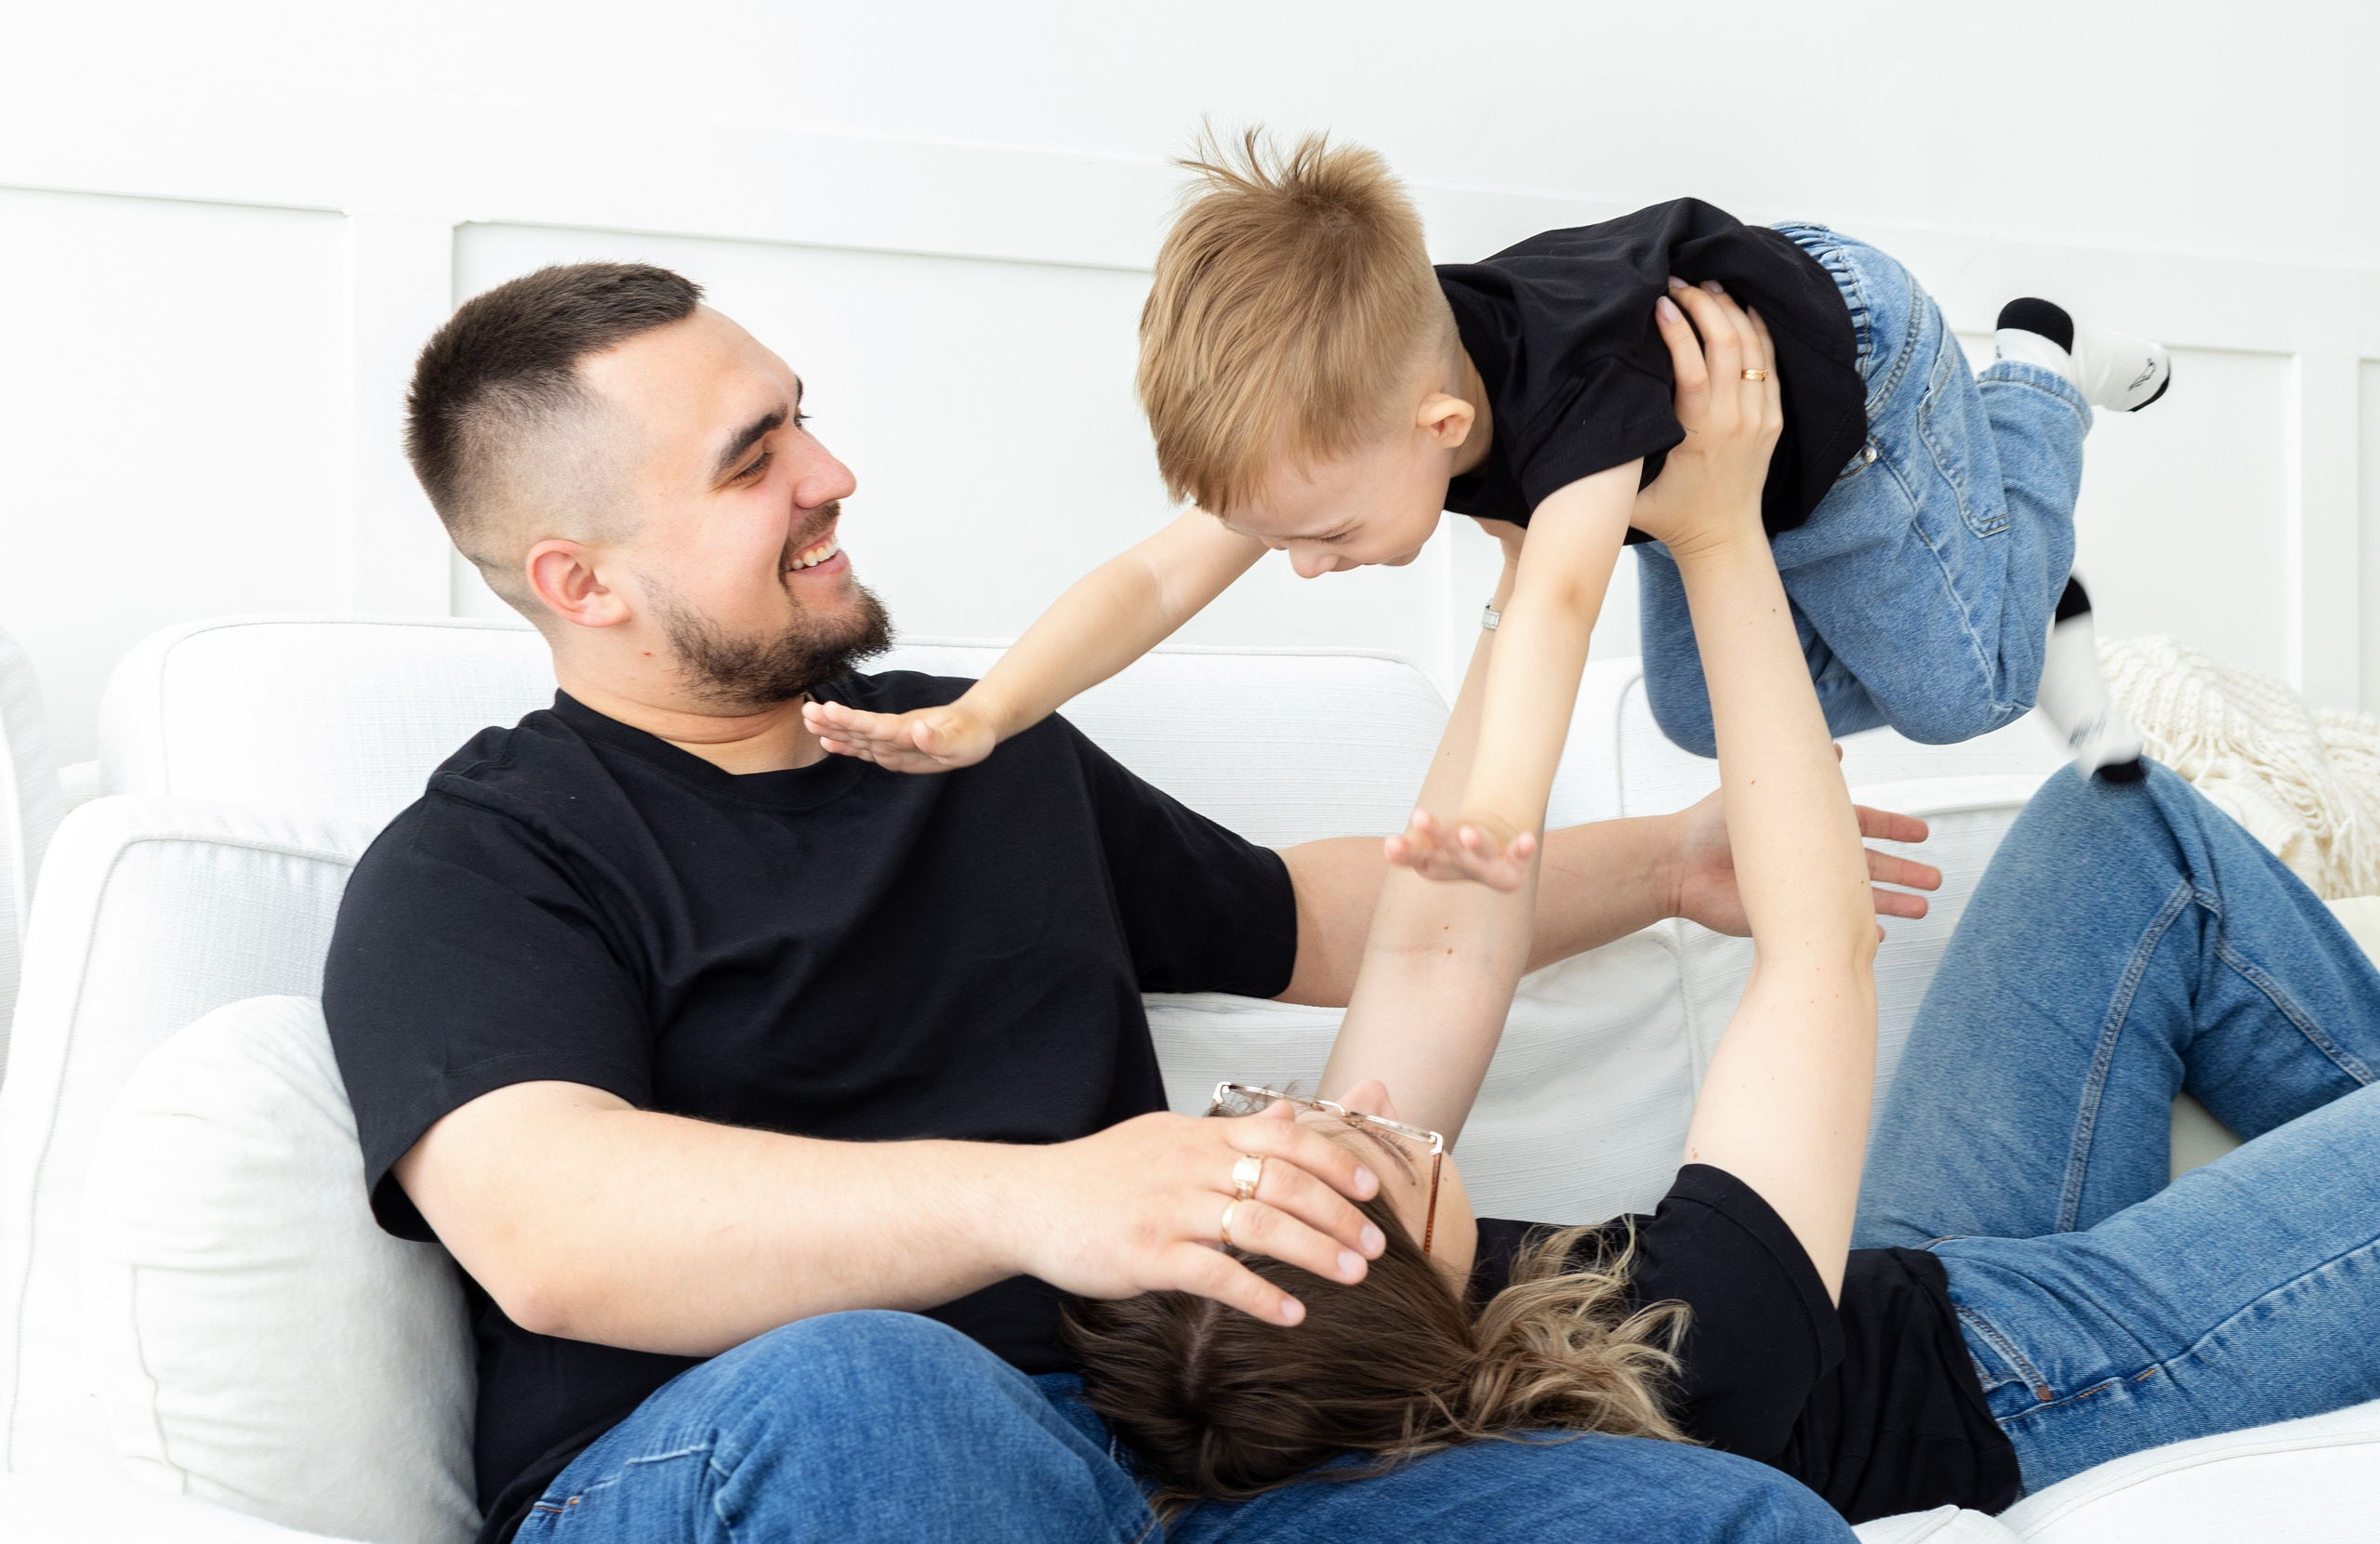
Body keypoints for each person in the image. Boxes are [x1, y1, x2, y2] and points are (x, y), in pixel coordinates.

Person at [324, 260, 1931, 1543]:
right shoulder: (481, 859)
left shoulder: (971, 747)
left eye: (801, 418)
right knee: (877, 1392)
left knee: (1721, 1513)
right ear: (579, 580)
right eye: (757, 463)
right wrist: (1040, 1200)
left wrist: (1664, 863)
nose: (834, 473)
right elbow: (554, 1229)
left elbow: (1308, 919)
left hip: (1167, 1460)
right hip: (761, 1466)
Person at [1064, 284, 2380, 1525]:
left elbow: (1437, 931)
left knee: (2123, 822)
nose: (1335, 1107)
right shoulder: (1701, 1342)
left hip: (1892, 1276)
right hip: (2053, 1372)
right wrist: (1717, 531)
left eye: (1258, 1115)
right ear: (1406, 1287)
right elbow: (1819, 950)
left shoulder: (1355, 1294)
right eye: (1352, 1154)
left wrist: (1523, 573)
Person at [806, 129, 2168, 899]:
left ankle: (2038, 374)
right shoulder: (1361, 391)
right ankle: (1997, 560)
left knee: (1968, 689)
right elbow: (1156, 581)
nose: (1303, 569)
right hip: (1713, 461)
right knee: (1698, 716)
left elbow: (1560, 605)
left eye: (1324, 537)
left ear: (1446, 433)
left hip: (1853, 377)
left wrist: (1500, 819)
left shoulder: (1568, 420)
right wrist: (990, 709)